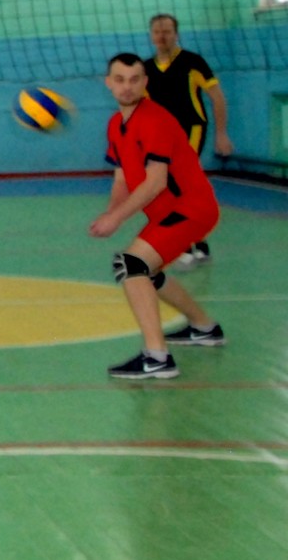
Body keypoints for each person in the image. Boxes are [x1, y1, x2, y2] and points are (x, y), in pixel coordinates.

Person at [89, 52, 225, 381]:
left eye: (135, 79)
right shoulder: (115, 125)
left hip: (191, 209)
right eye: (119, 80)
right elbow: (122, 178)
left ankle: (157, 358)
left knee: (131, 264)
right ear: (108, 83)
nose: (127, 86)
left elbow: (155, 181)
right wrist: (110, 212)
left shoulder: (155, 119)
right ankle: (205, 328)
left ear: (145, 82)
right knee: (146, 271)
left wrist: (117, 219)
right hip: (171, 212)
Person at [144, 14, 233, 268]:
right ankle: (199, 244)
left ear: (176, 34)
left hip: (190, 129)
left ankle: (183, 245)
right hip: (162, 136)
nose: (163, 36)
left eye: (168, 31)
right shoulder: (146, 69)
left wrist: (222, 134)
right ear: (152, 36)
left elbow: (217, 97)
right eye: (158, 31)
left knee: (175, 182)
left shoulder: (193, 62)